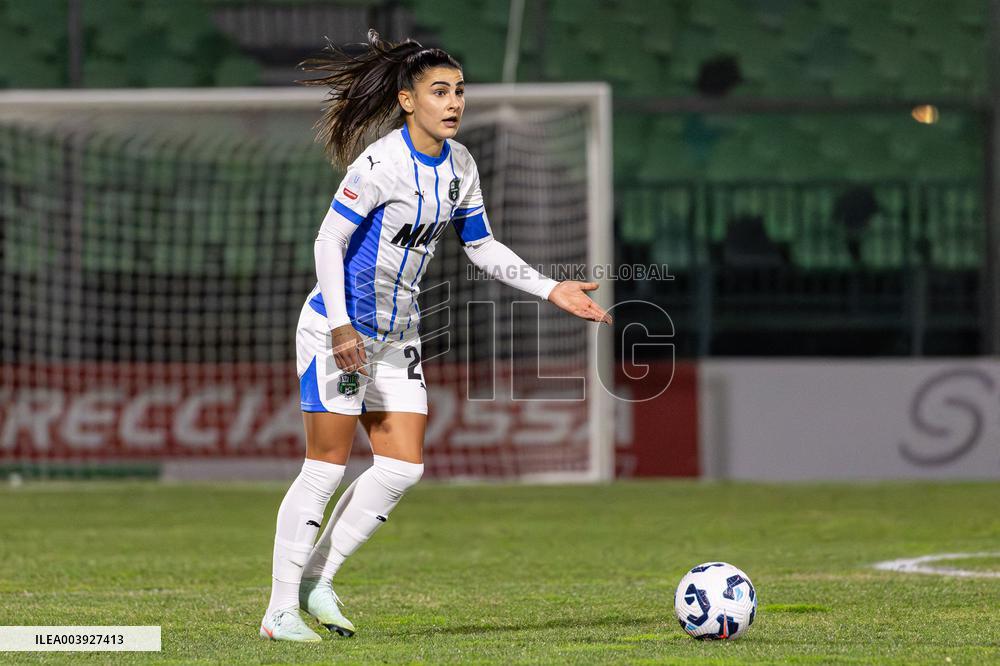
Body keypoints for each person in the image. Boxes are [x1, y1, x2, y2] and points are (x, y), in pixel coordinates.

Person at [260, 30, 612, 642]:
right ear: (407, 100)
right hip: (340, 330)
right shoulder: (380, 164)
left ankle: (317, 580)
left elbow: (481, 245)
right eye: (440, 91)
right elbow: (328, 240)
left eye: (460, 92)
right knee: (325, 467)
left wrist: (550, 288)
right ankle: (279, 609)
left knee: (402, 468)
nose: (454, 103)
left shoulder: (461, 165)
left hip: (398, 336)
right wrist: (341, 326)